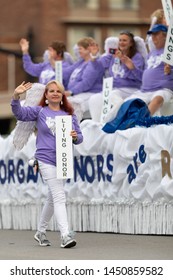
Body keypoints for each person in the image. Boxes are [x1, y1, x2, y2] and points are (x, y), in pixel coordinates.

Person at [11, 80, 83, 248]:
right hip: (45, 159)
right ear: (46, 95)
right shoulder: (40, 111)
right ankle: (65, 235)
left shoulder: (69, 115)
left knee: (52, 198)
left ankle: (40, 232)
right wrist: (16, 96)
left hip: (63, 159)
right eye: (51, 91)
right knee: (59, 196)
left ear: (62, 95)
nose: (55, 93)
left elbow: (80, 138)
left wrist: (74, 136)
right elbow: (20, 113)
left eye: (58, 91)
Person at [88, 31, 147, 122]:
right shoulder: (113, 54)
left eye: (124, 40)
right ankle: (97, 125)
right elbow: (98, 68)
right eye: (120, 40)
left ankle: (108, 122)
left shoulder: (137, 57)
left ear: (131, 43)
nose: (121, 43)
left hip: (130, 88)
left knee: (113, 95)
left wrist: (126, 63)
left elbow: (140, 77)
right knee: (94, 99)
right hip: (113, 88)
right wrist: (94, 56)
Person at [125, 24, 173, 116]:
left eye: (156, 34)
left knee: (157, 99)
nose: (153, 37)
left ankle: (143, 120)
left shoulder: (171, 51)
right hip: (145, 90)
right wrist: (133, 68)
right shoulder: (151, 53)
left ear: (165, 36)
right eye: (152, 35)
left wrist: (170, 71)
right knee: (127, 103)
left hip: (163, 89)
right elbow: (143, 77)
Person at [62, 37, 104, 121]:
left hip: (90, 93)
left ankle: (73, 130)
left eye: (80, 49)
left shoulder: (94, 63)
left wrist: (71, 92)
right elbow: (66, 72)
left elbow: (86, 82)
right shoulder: (81, 62)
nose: (78, 51)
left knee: (71, 105)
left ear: (88, 49)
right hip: (78, 93)